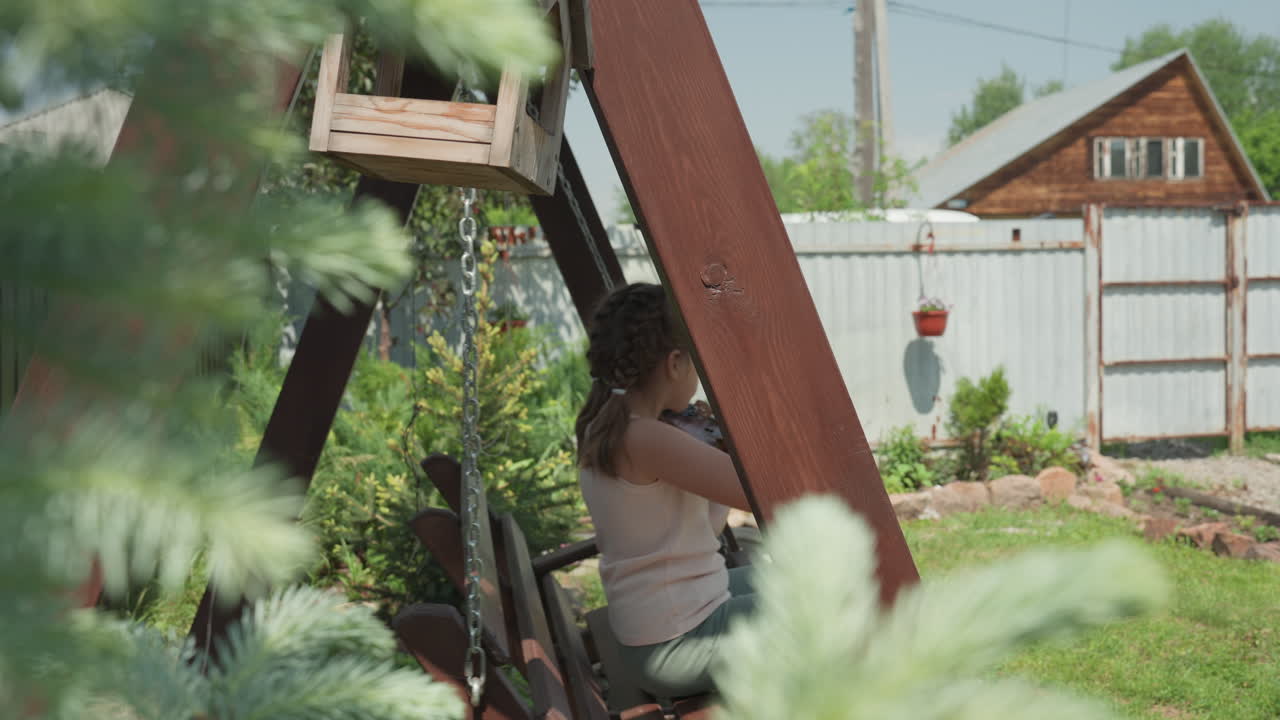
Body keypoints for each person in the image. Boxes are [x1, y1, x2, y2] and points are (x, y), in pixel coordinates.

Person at [574, 282, 754, 700]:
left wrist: (708, 452)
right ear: (674, 363)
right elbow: (760, 495)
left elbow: (702, 533)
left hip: (665, 629)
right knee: (835, 598)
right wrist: (731, 439)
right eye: (696, 363)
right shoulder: (646, 439)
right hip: (677, 644)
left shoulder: (611, 424)